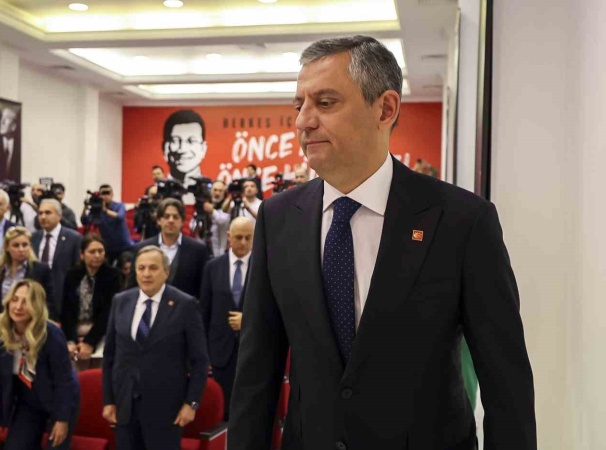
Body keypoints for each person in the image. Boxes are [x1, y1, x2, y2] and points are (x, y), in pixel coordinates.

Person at [228, 36, 536, 450]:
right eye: (298, 105)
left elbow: (506, 383)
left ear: (386, 109)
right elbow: (256, 373)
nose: (303, 121)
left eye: (325, 103)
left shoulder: (461, 220)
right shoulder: (278, 217)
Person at [102, 246, 209, 450]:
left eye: (153, 268)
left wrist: (192, 403)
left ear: (166, 272)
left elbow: (200, 361)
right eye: (141, 268)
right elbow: (109, 356)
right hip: (125, 406)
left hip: (166, 409)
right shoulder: (120, 301)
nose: (146, 274)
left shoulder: (185, 305)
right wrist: (108, 400)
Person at [0, 280, 79, 450]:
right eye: (15, 300)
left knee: (56, 446)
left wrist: (62, 419)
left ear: (37, 305)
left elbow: (63, 381)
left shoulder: (52, 334)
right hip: (27, 400)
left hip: (58, 397)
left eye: (26, 302)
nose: (18, 307)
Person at [200, 217, 253, 421]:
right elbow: (204, 313)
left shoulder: (264, 266)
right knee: (222, 413)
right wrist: (204, 354)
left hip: (251, 351)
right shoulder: (213, 267)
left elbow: (272, 311)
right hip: (219, 352)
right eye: (238, 237)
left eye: (248, 238)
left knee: (248, 412)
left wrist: (247, 321)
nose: (243, 242)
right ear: (229, 236)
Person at [61, 234, 121, 371]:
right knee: (77, 373)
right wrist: (70, 341)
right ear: (82, 254)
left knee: (97, 373)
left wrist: (89, 342)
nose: (97, 255)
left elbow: (108, 312)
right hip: (75, 331)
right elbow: (66, 311)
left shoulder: (113, 275)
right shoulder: (72, 275)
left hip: (102, 332)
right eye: (92, 252)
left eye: (100, 251)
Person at [128, 198, 208, 298]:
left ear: (182, 221)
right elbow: (133, 286)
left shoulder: (198, 250)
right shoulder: (142, 248)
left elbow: (202, 288)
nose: (171, 220)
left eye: (175, 217)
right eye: (166, 216)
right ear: (158, 220)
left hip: (184, 306)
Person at [31, 199, 83, 320]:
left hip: (62, 297)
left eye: (48, 213)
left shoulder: (74, 238)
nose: (43, 217)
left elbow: (78, 269)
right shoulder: (33, 237)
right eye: (40, 213)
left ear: (59, 216)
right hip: (37, 297)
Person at [0, 226, 53, 314]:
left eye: (25, 245)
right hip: (0, 317)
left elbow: (48, 301)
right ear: (7, 247)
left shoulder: (41, 270)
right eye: (16, 245)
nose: (21, 249)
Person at [162, 109, 208, 192]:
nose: (182, 149)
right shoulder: (159, 190)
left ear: (203, 148)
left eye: (191, 141)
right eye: (175, 141)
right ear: (165, 148)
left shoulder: (210, 190)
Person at [95, 184, 134, 265]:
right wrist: (86, 206)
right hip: (107, 247)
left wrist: (105, 210)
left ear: (112, 194)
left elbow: (120, 216)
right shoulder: (98, 210)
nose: (105, 196)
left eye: (107, 193)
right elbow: (85, 221)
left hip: (123, 246)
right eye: (103, 193)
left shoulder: (120, 205)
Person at [202, 180, 231, 257]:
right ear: (210, 191)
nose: (217, 193)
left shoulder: (228, 205)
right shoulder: (204, 204)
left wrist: (212, 211)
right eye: (215, 190)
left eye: (220, 191)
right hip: (205, 247)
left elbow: (223, 221)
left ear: (224, 193)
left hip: (221, 249)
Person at [0, 106, 21, 185]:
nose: (2, 122)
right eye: (1, 118)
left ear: (14, 126)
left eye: (6, 118)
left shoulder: (19, 148)